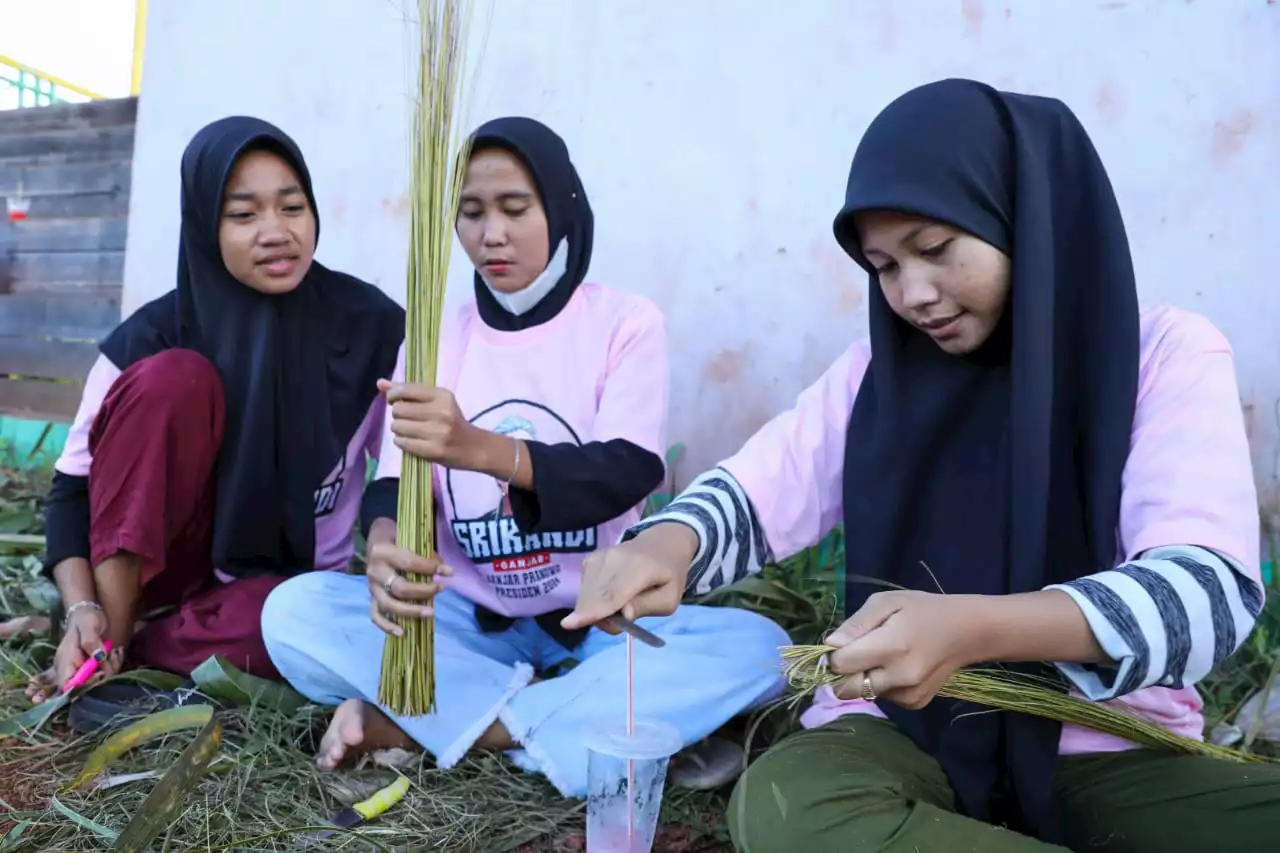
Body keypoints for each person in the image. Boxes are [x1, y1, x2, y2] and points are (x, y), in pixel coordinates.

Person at [563, 79, 1280, 851]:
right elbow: (758, 488)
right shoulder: (880, 376)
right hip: (903, 731)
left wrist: (971, 628)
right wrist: (665, 545)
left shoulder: (1160, 357)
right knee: (790, 808)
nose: (914, 294)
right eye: (883, 266)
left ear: (1025, 216)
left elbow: (1204, 593)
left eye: (936, 250)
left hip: (1105, 746)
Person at [261, 116, 789, 797]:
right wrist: (385, 547)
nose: (491, 235)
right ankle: (590, 725)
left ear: (561, 207)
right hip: (463, 621)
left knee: (761, 648)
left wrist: (478, 448)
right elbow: (393, 481)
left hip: (604, 620)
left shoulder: (623, 323)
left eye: (515, 208)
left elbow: (624, 471)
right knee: (293, 615)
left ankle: (444, 727)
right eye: (471, 213)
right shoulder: (434, 333)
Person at [28, 117, 404, 703]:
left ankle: (133, 650)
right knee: (176, 380)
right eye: (244, 214)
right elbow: (70, 493)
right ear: (205, 226)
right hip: (155, 578)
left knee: (297, 623)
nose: (276, 232)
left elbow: (404, 473)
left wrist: (385, 536)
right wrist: (82, 607)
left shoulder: (368, 329)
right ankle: (115, 629)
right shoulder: (150, 338)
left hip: (282, 592)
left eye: (292, 207)